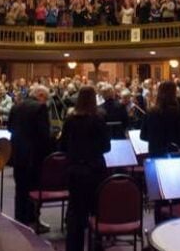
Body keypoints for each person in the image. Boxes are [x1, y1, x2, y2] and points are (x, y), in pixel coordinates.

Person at [59, 86, 111, 251]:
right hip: (95, 170)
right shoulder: (99, 119)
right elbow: (106, 147)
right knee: (96, 210)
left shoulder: (70, 120)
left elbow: (62, 146)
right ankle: (96, 247)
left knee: (75, 212)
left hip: (75, 171)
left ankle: (74, 247)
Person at [8, 85, 52, 230]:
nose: (46, 102)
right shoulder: (40, 108)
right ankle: (33, 220)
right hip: (34, 156)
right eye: (46, 98)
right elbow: (44, 135)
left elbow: (9, 128)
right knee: (34, 189)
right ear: (40, 95)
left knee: (20, 188)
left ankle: (20, 219)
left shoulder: (16, 106)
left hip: (18, 153)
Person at [141, 80, 180, 157]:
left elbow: (143, 136)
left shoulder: (150, 114)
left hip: (157, 154)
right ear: (175, 94)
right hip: (178, 155)